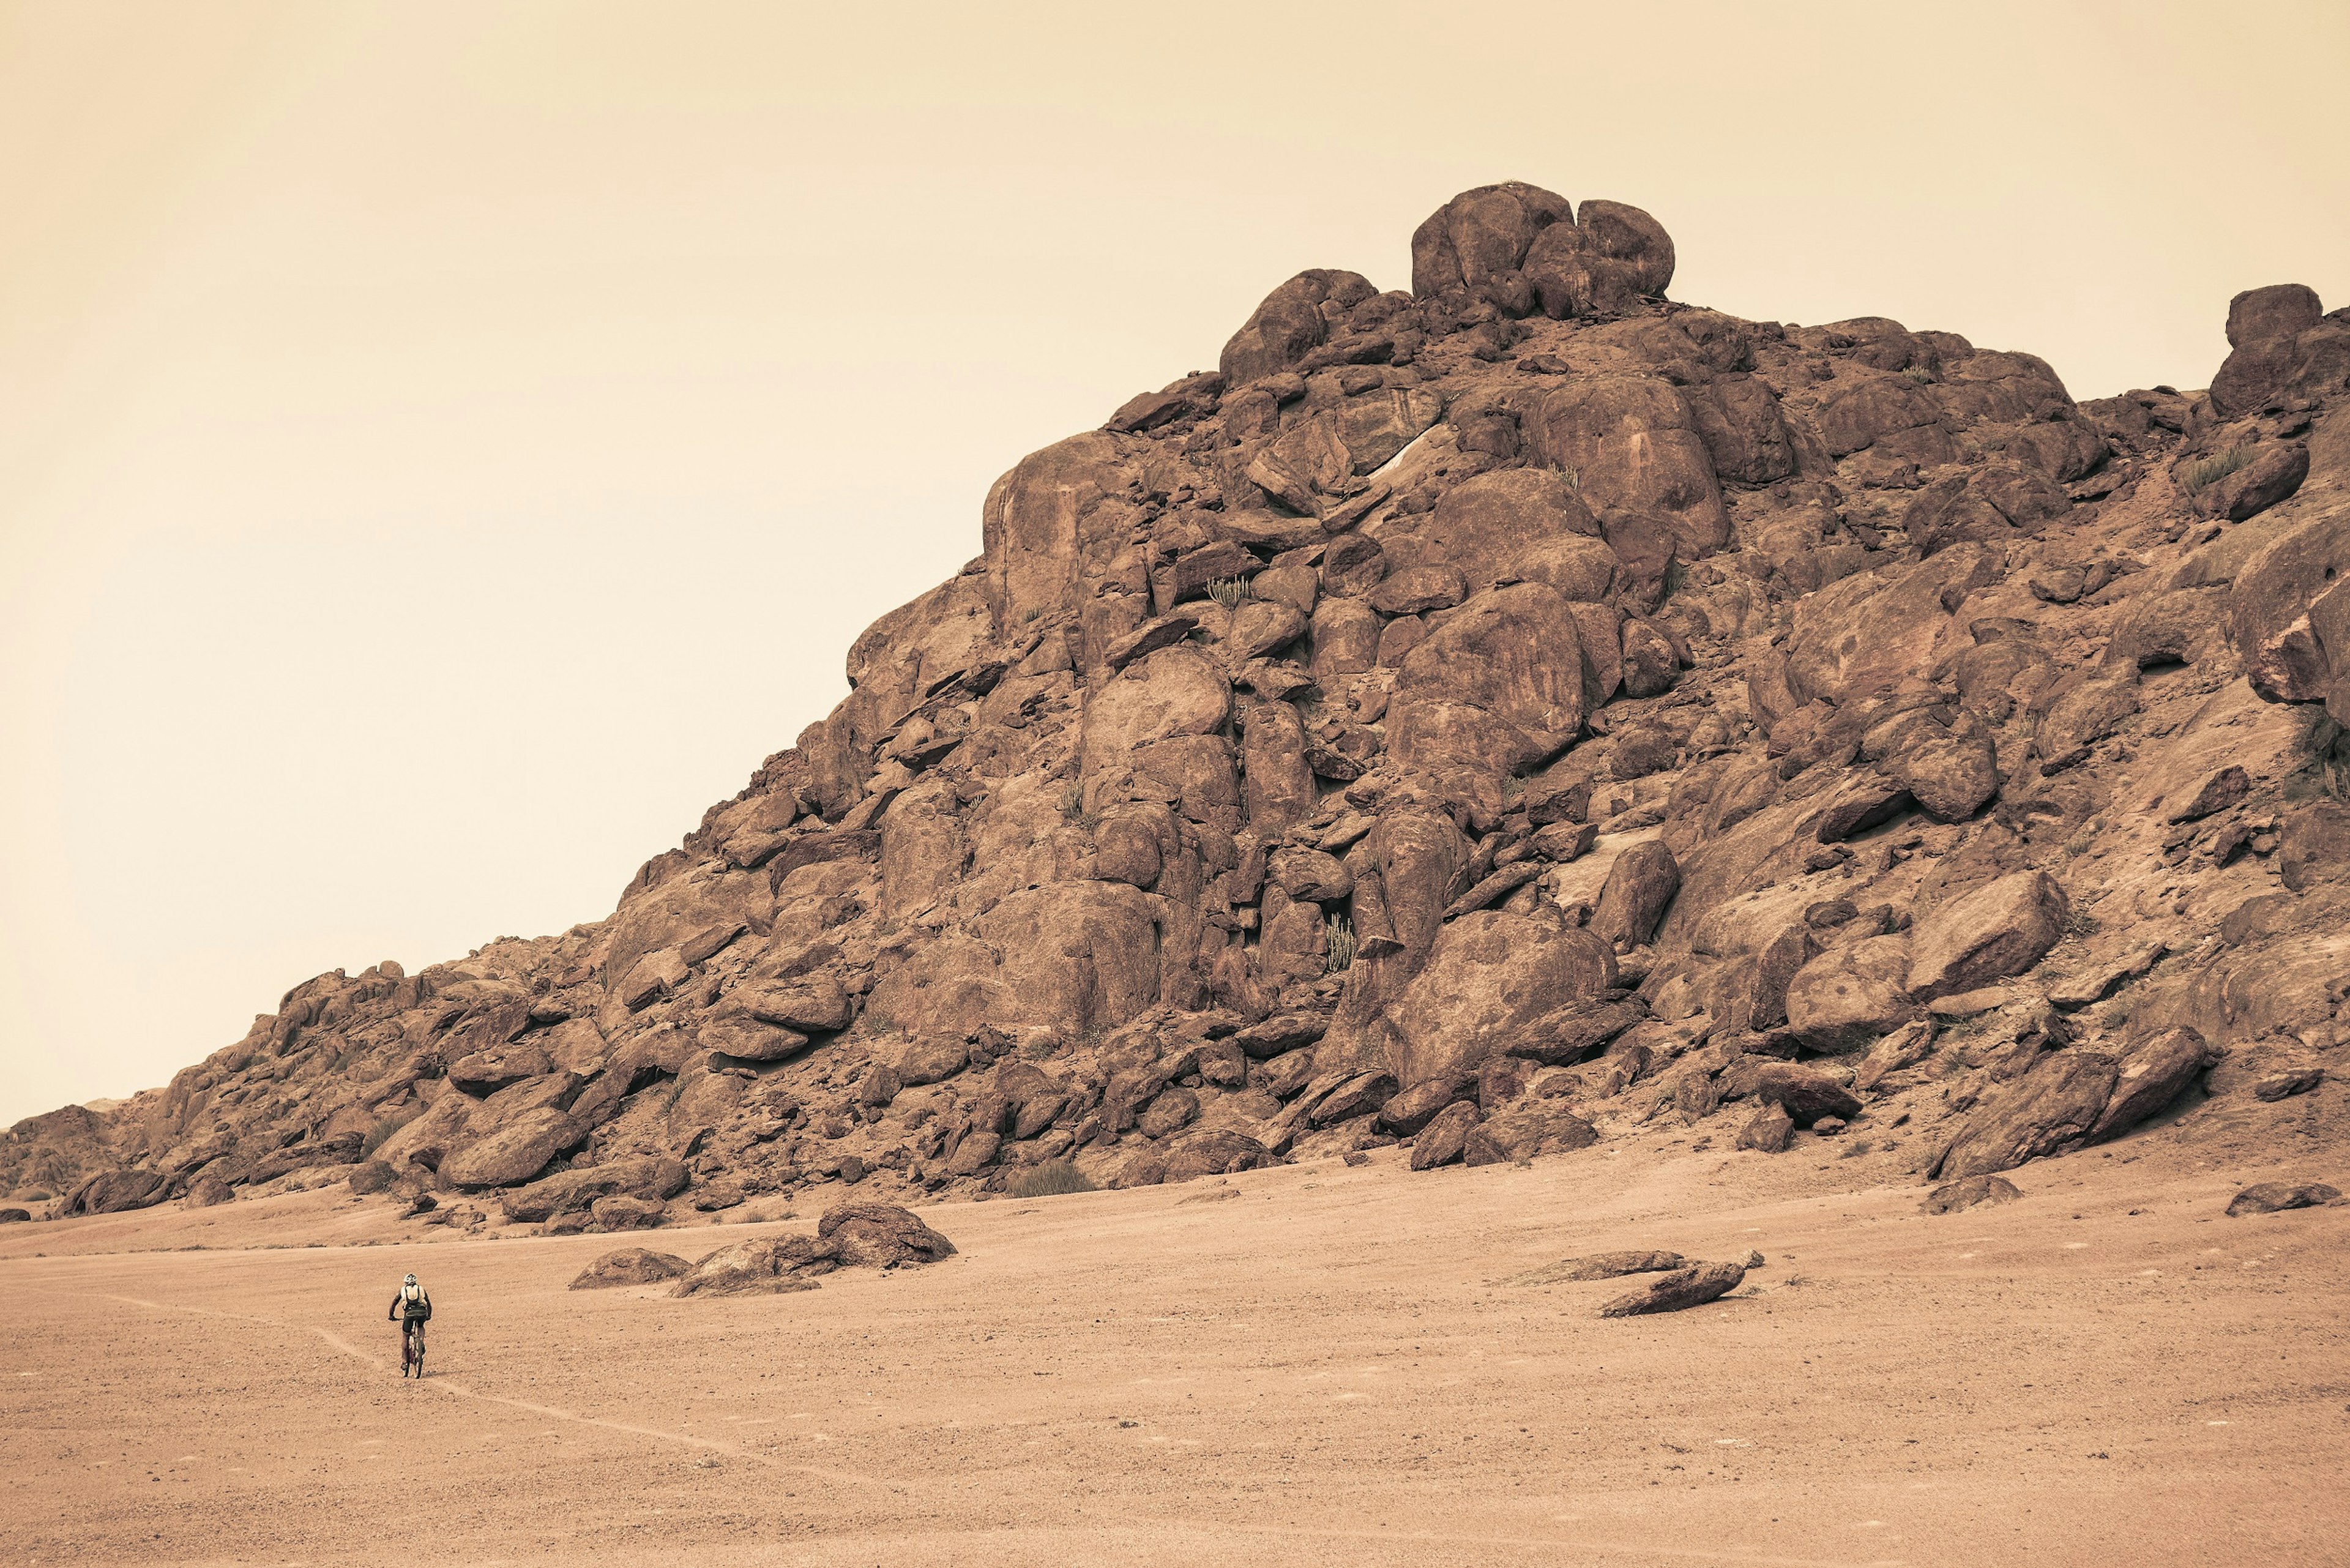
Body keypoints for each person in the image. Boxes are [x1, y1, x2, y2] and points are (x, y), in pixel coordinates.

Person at [387, 1272, 432, 1376]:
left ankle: (405, 1362)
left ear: (405, 1282)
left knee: (405, 1336)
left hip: (409, 1314)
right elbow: (428, 1303)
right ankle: (420, 1341)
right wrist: (429, 1315)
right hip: (422, 1312)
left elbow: (394, 1304)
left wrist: (391, 1316)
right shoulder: (421, 1289)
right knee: (420, 1326)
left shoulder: (403, 1290)